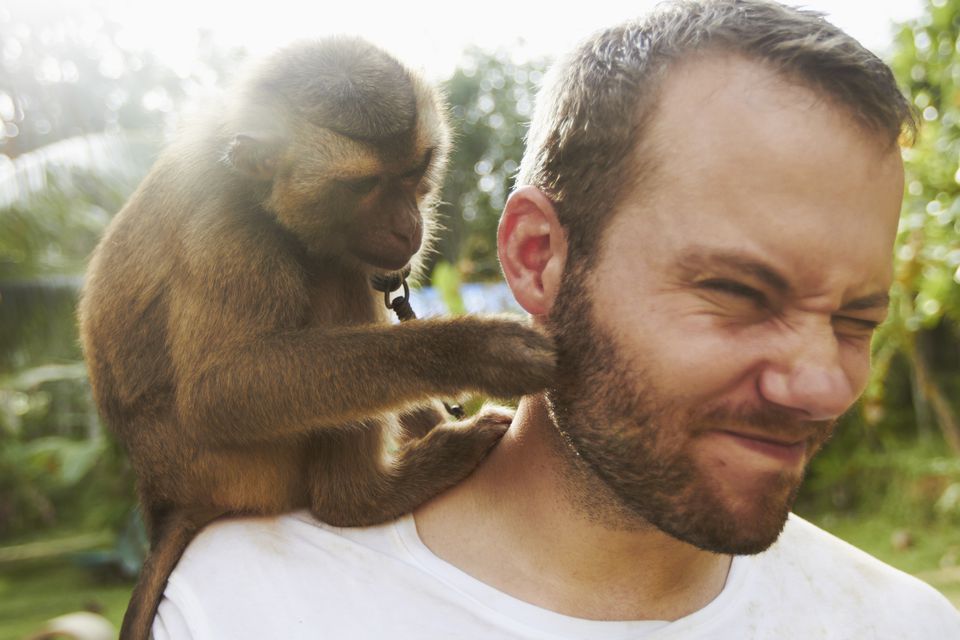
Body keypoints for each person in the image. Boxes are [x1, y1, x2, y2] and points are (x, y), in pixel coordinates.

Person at [153, 1, 960, 637]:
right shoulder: (236, 609)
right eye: (739, 294)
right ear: (537, 257)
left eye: (858, 320)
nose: (822, 386)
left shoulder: (906, 625)